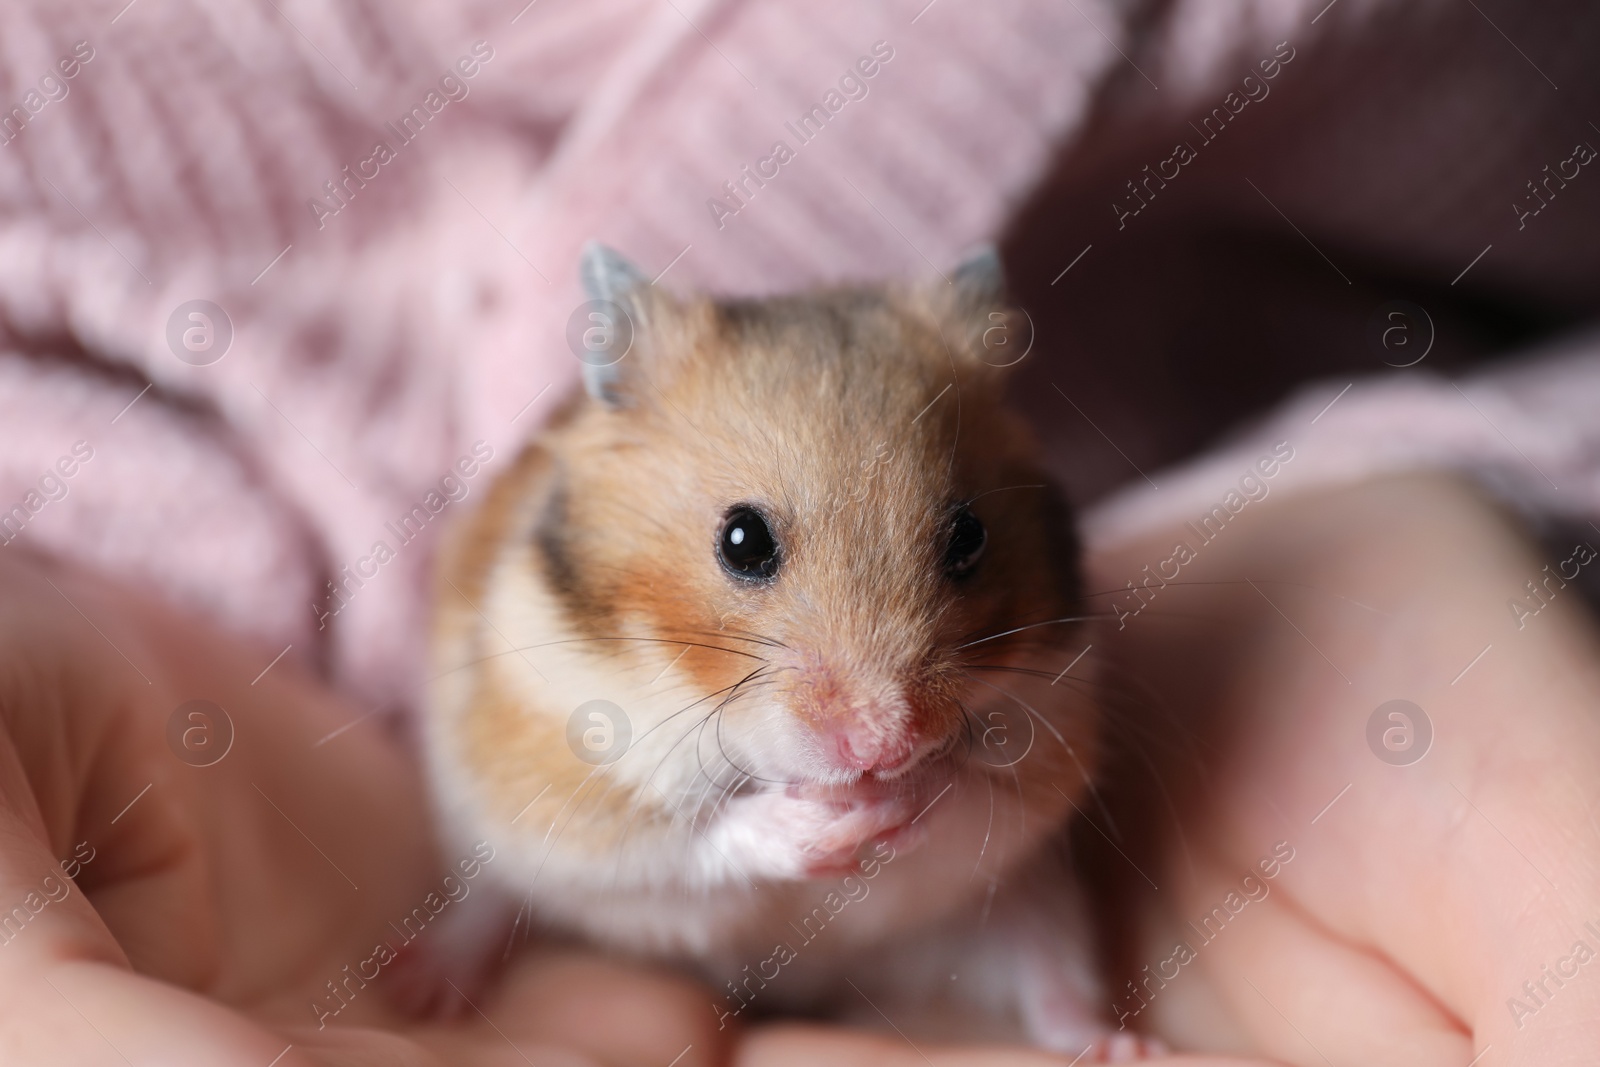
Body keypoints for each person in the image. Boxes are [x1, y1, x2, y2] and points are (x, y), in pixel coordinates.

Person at [0, 471, 1594, 1065]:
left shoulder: (1031, 632)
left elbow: (1028, 791)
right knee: (511, 856)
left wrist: (1476, 509)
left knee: (1031, 915)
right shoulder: (558, 612)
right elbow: (557, 817)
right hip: (558, 888)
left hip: (995, 917)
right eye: (752, 551)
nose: (876, 710)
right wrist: (738, 839)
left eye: (950, 547)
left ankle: (1066, 1023)